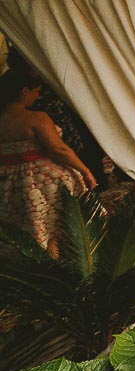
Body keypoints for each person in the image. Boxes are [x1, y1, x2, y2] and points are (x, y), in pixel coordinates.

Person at [0, 69, 97, 255]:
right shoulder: (35, 118)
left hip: (7, 181)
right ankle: (55, 265)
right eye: (36, 92)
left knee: (22, 228)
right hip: (39, 181)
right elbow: (58, 149)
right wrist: (85, 170)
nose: (37, 98)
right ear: (24, 90)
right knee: (52, 227)